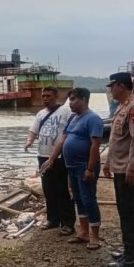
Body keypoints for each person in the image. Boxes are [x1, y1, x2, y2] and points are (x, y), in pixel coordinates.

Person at [42, 88, 104, 249]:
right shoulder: (73, 119)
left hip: (84, 166)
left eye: (74, 99)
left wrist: (90, 169)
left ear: (84, 99)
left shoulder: (93, 119)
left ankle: (95, 237)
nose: (70, 103)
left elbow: (95, 145)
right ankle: (83, 232)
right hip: (71, 166)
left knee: (88, 199)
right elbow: (63, 140)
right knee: (78, 199)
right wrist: (51, 159)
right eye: (69, 99)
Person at [103, 72, 134, 267]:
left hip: (129, 169)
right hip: (120, 166)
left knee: (129, 211)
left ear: (121, 86)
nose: (110, 89)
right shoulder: (123, 107)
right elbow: (117, 140)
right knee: (127, 210)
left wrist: (132, 168)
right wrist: (107, 163)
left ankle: (131, 258)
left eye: (112, 86)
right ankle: (133, 250)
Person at [25, 86, 75, 233]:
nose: (45, 99)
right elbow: (33, 131)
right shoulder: (40, 114)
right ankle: (52, 219)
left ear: (56, 96)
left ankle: (67, 223)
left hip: (60, 156)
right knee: (48, 189)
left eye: (48, 96)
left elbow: (71, 130)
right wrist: (29, 141)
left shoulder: (66, 111)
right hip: (43, 156)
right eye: (43, 96)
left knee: (62, 190)